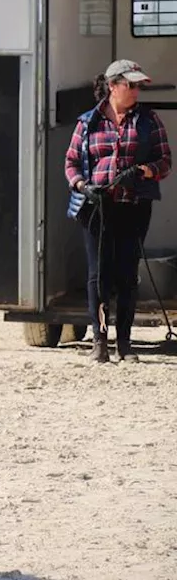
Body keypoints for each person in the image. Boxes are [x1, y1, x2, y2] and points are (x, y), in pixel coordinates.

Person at [64, 59, 171, 364]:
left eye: (138, 86)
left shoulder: (149, 121)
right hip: (96, 208)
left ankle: (124, 344)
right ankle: (99, 340)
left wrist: (144, 172)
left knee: (127, 274)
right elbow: (71, 162)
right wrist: (83, 185)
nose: (136, 91)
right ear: (113, 86)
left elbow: (164, 160)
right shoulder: (87, 122)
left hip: (133, 206)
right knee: (99, 275)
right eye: (131, 85)